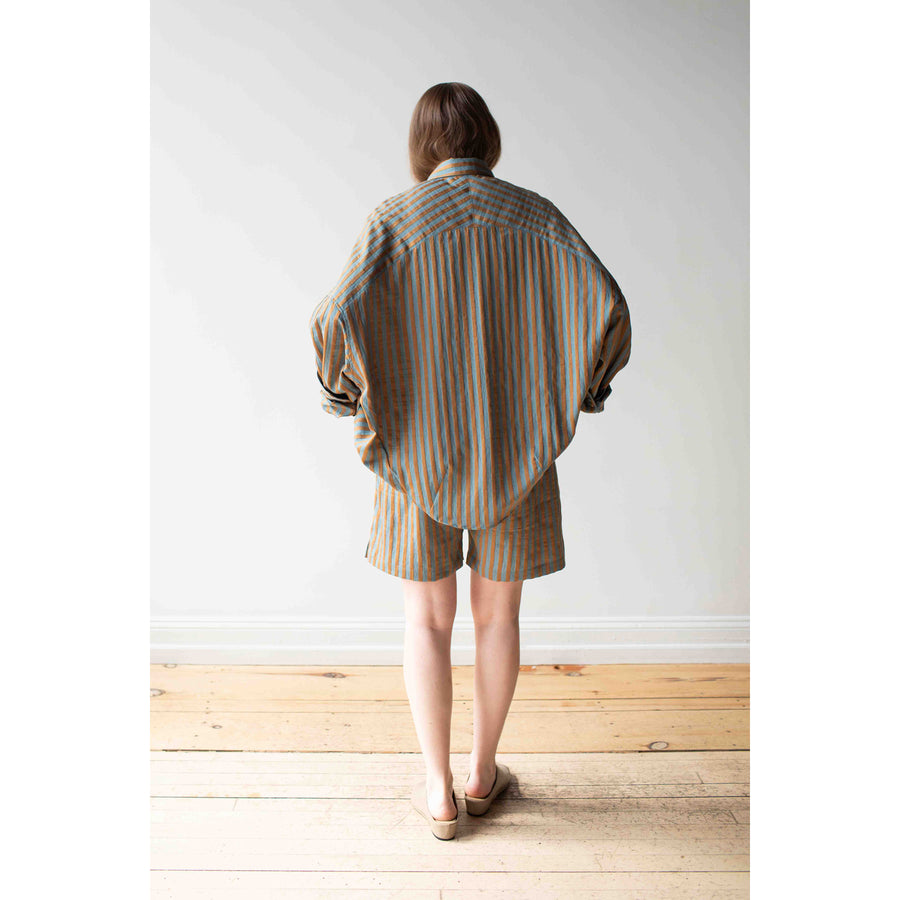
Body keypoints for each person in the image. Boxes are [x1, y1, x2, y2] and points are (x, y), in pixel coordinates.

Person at [310, 82, 632, 839]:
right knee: (498, 618)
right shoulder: (536, 218)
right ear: (488, 139)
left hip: (411, 455)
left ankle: (438, 791)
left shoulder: (393, 221)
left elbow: (331, 320)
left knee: (426, 622)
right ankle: (484, 773)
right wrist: (586, 391)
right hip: (517, 454)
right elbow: (608, 307)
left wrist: (344, 398)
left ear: (421, 145)